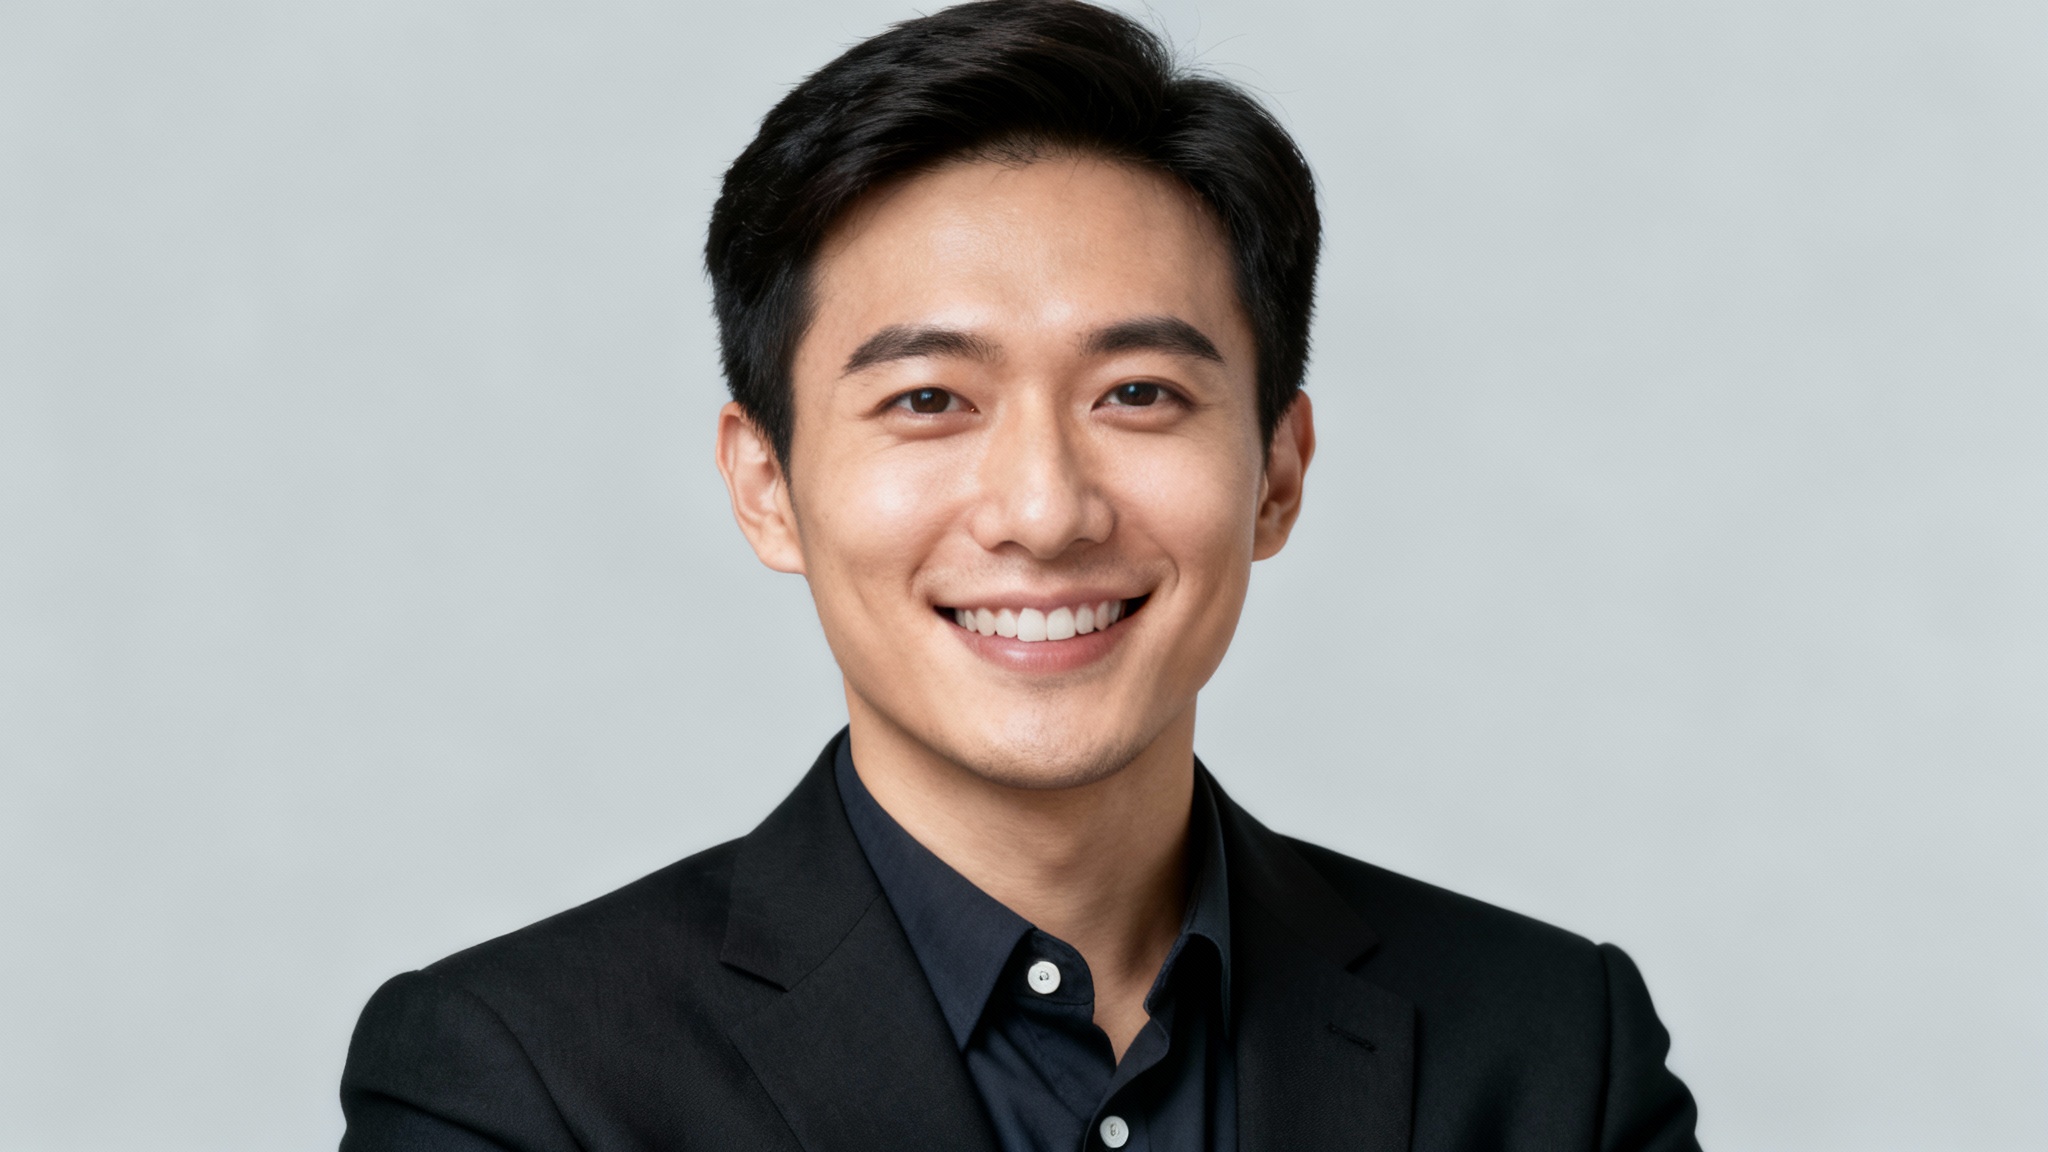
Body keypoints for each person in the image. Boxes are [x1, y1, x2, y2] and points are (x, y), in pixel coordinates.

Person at [338, 2, 1701, 1149]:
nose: (1045, 512)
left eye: (1141, 393)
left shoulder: (1547, 1057)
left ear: (1278, 472)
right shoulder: (518, 1084)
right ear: (768, 487)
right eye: (931, 399)